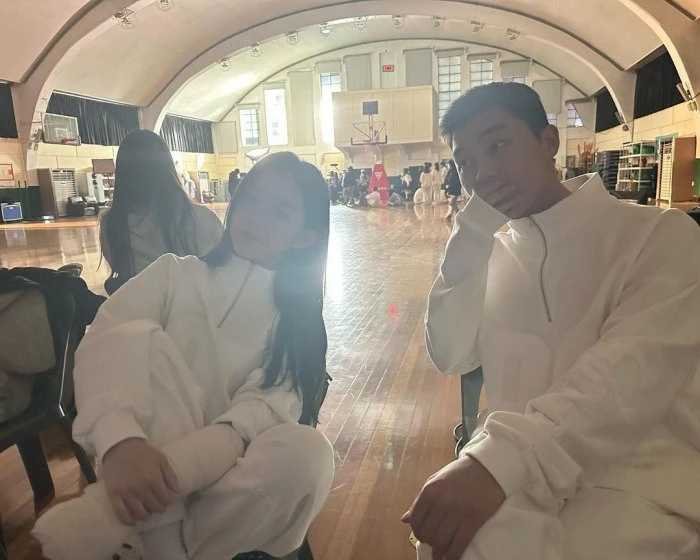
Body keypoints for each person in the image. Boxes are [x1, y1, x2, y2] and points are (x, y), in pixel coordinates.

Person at [404, 82, 700, 560]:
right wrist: (473, 231)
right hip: (519, 485)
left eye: (498, 145)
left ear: (549, 141)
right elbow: (450, 353)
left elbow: (624, 379)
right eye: (466, 162)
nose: (483, 173)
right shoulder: (488, 255)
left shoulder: (658, 237)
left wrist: (497, 463)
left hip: (641, 486)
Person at [34, 152, 335, 560]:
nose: (256, 217)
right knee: (137, 336)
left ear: (306, 236)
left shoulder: (297, 324)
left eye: (280, 211)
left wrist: (187, 465)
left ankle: (147, 534)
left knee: (311, 455)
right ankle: (162, 537)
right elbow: (106, 339)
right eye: (251, 199)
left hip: (226, 475)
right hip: (138, 454)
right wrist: (121, 441)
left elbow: (261, 413)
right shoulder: (174, 273)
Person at [100, 130, 222, 294]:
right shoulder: (202, 218)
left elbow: (119, 271)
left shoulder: (111, 224)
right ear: (168, 169)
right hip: (200, 306)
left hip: (139, 307)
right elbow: (223, 270)